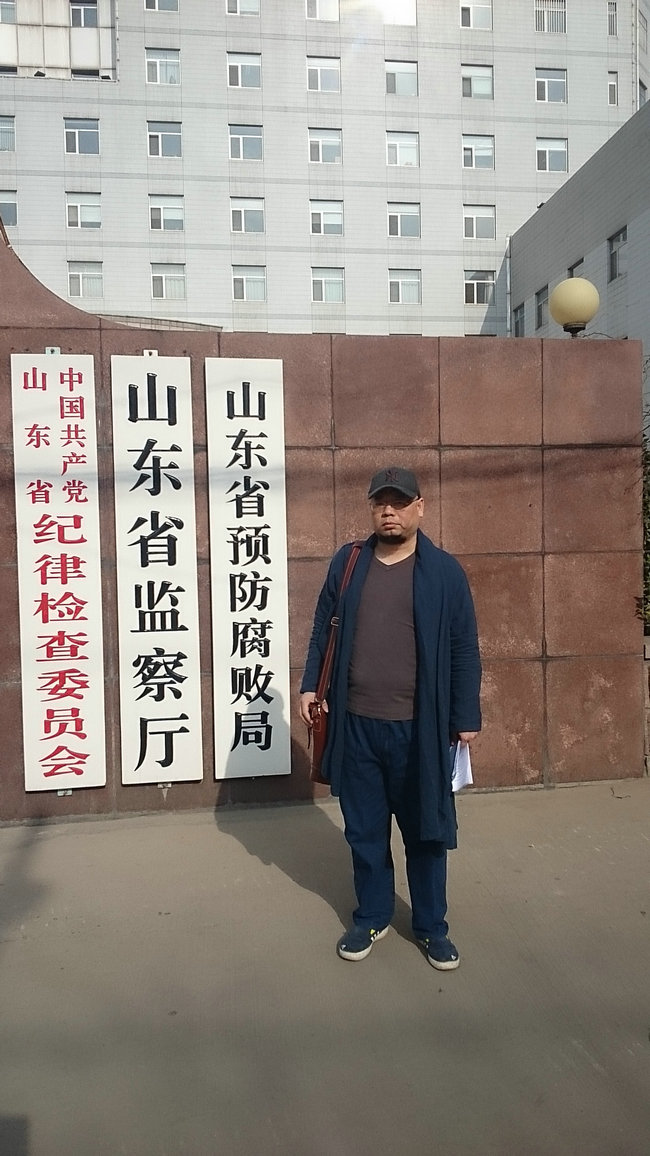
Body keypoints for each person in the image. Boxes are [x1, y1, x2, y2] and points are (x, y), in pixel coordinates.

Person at [299, 466, 481, 969]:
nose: (389, 511)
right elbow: (323, 628)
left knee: (425, 832)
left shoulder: (444, 572)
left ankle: (431, 926)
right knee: (364, 831)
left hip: (420, 730)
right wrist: (311, 684)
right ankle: (372, 916)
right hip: (356, 724)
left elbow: (464, 647)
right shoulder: (350, 562)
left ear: (420, 507)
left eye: (399, 503)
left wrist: (466, 715)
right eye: (381, 502)